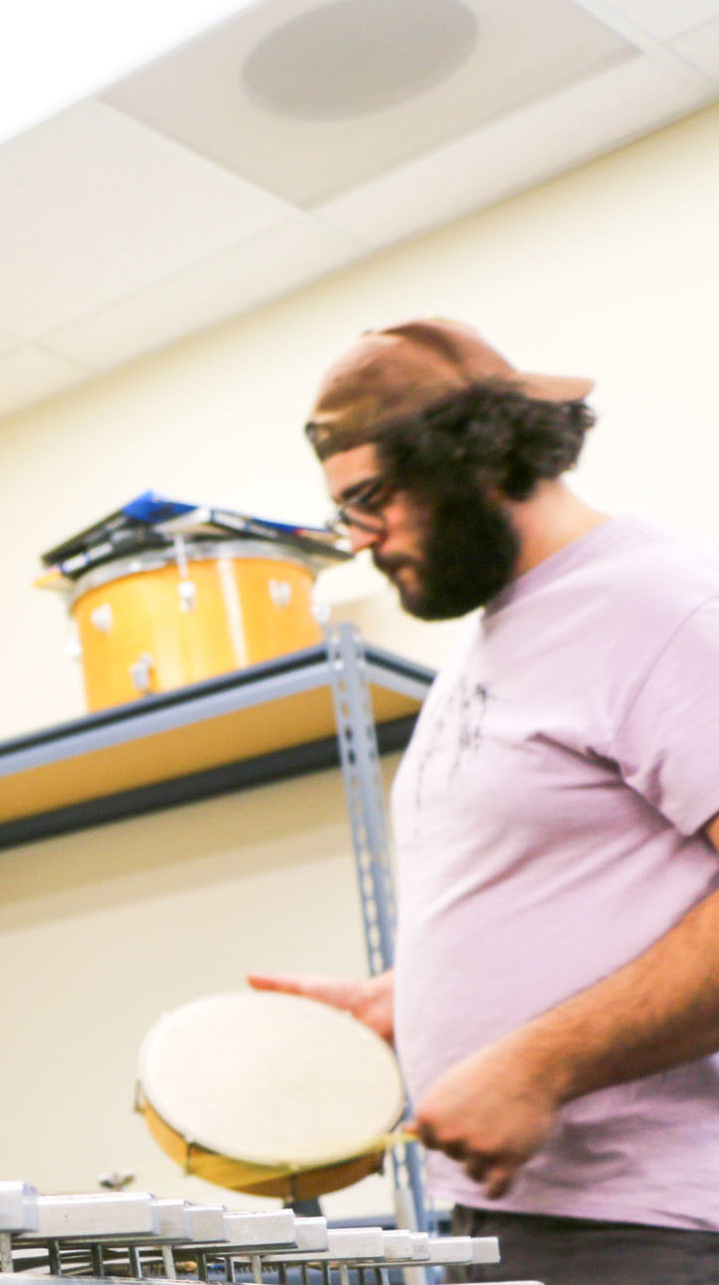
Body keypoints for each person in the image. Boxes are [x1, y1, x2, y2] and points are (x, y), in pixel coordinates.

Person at [253, 319, 719, 1283]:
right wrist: (413, 999)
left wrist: (535, 1065)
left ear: (474, 457)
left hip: (653, 1228)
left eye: (371, 499)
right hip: (516, 1220)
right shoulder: (502, 640)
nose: (359, 538)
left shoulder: (655, 603)